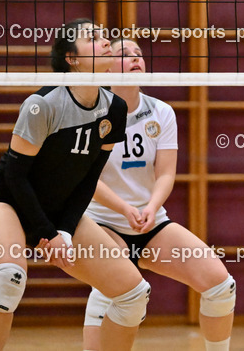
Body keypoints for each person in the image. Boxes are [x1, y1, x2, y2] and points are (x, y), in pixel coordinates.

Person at [0, 20, 149, 351]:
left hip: (60, 211)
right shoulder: (43, 104)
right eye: (92, 38)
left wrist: (65, 230)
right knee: (7, 280)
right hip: (6, 204)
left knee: (133, 293)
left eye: (103, 35)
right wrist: (47, 233)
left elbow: (88, 179)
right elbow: (15, 176)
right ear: (72, 58)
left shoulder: (115, 109)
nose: (105, 41)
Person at [81, 38, 235, 351]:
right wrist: (125, 209)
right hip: (102, 223)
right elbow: (87, 178)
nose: (135, 58)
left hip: (149, 222)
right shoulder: (90, 112)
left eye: (139, 54)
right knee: (113, 288)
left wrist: (151, 207)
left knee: (221, 285)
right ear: (107, 65)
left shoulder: (160, 112)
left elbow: (165, 172)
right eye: (125, 54)